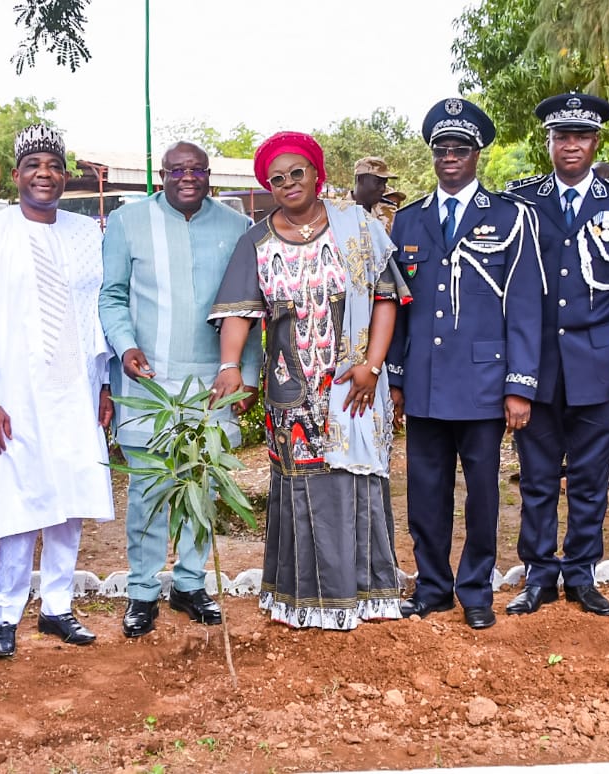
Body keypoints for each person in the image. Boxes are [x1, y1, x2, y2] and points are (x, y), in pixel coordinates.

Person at [0, 124, 115, 657]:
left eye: (54, 165)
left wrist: (101, 386)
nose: (45, 174)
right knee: (17, 499)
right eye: (34, 164)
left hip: (74, 388)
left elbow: (94, 313)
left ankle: (58, 607)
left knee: (70, 498)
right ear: (17, 175)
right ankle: (5, 614)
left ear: (63, 176)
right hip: (11, 392)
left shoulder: (84, 234)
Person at [210, 131, 406, 631]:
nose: (288, 183)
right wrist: (230, 366)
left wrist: (373, 365)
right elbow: (239, 311)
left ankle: (363, 595)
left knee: (354, 481)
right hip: (290, 388)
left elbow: (385, 298)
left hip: (353, 383)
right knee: (302, 486)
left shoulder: (356, 226)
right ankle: (303, 598)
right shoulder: (256, 239)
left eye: (297, 172)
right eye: (277, 179)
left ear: (317, 174)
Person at [386, 98, 545, 630]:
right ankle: (431, 586)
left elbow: (525, 307)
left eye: (461, 149)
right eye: (441, 149)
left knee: (481, 495)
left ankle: (476, 588)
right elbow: (399, 310)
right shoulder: (409, 220)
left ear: (478, 155)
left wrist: (519, 386)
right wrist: (396, 378)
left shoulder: (509, 217)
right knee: (426, 494)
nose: (450, 157)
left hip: (484, 381)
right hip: (427, 383)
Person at [504, 93, 609, 617]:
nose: (571, 145)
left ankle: (582, 573)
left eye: (581, 136)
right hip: (538, 369)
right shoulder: (522, 200)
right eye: (561, 136)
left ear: (597, 143)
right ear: (548, 142)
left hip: (600, 366)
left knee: (593, 477)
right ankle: (538, 575)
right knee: (537, 479)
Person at [99, 141, 260, 638]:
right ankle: (143, 591)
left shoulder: (237, 228)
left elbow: (249, 308)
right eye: (176, 170)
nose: (187, 178)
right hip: (147, 382)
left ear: (209, 175)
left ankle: (191, 584)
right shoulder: (128, 223)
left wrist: (247, 375)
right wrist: (125, 346)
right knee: (147, 491)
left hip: (212, 382)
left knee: (202, 486)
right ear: (161, 175)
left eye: (197, 170)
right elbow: (113, 295)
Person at [353, 156, 400, 232]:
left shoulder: (391, 213)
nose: (383, 188)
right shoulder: (337, 212)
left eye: (384, 183)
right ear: (360, 179)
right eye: (378, 182)